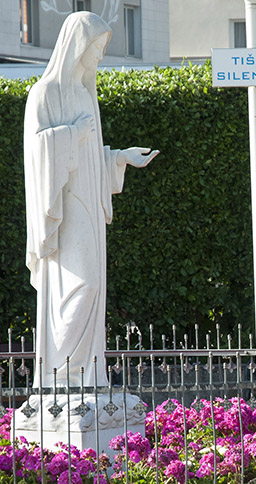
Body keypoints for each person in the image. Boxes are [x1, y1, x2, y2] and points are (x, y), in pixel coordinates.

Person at [23, 12, 158, 389]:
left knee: (94, 284)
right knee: (81, 286)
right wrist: (72, 133)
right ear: (77, 46)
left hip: (88, 203)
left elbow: (87, 155)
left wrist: (118, 157)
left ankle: (87, 374)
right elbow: (37, 152)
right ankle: (60, 377)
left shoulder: (84, 92)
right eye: (97, 47)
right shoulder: (44, 93)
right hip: (64, 209)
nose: (100, 55)